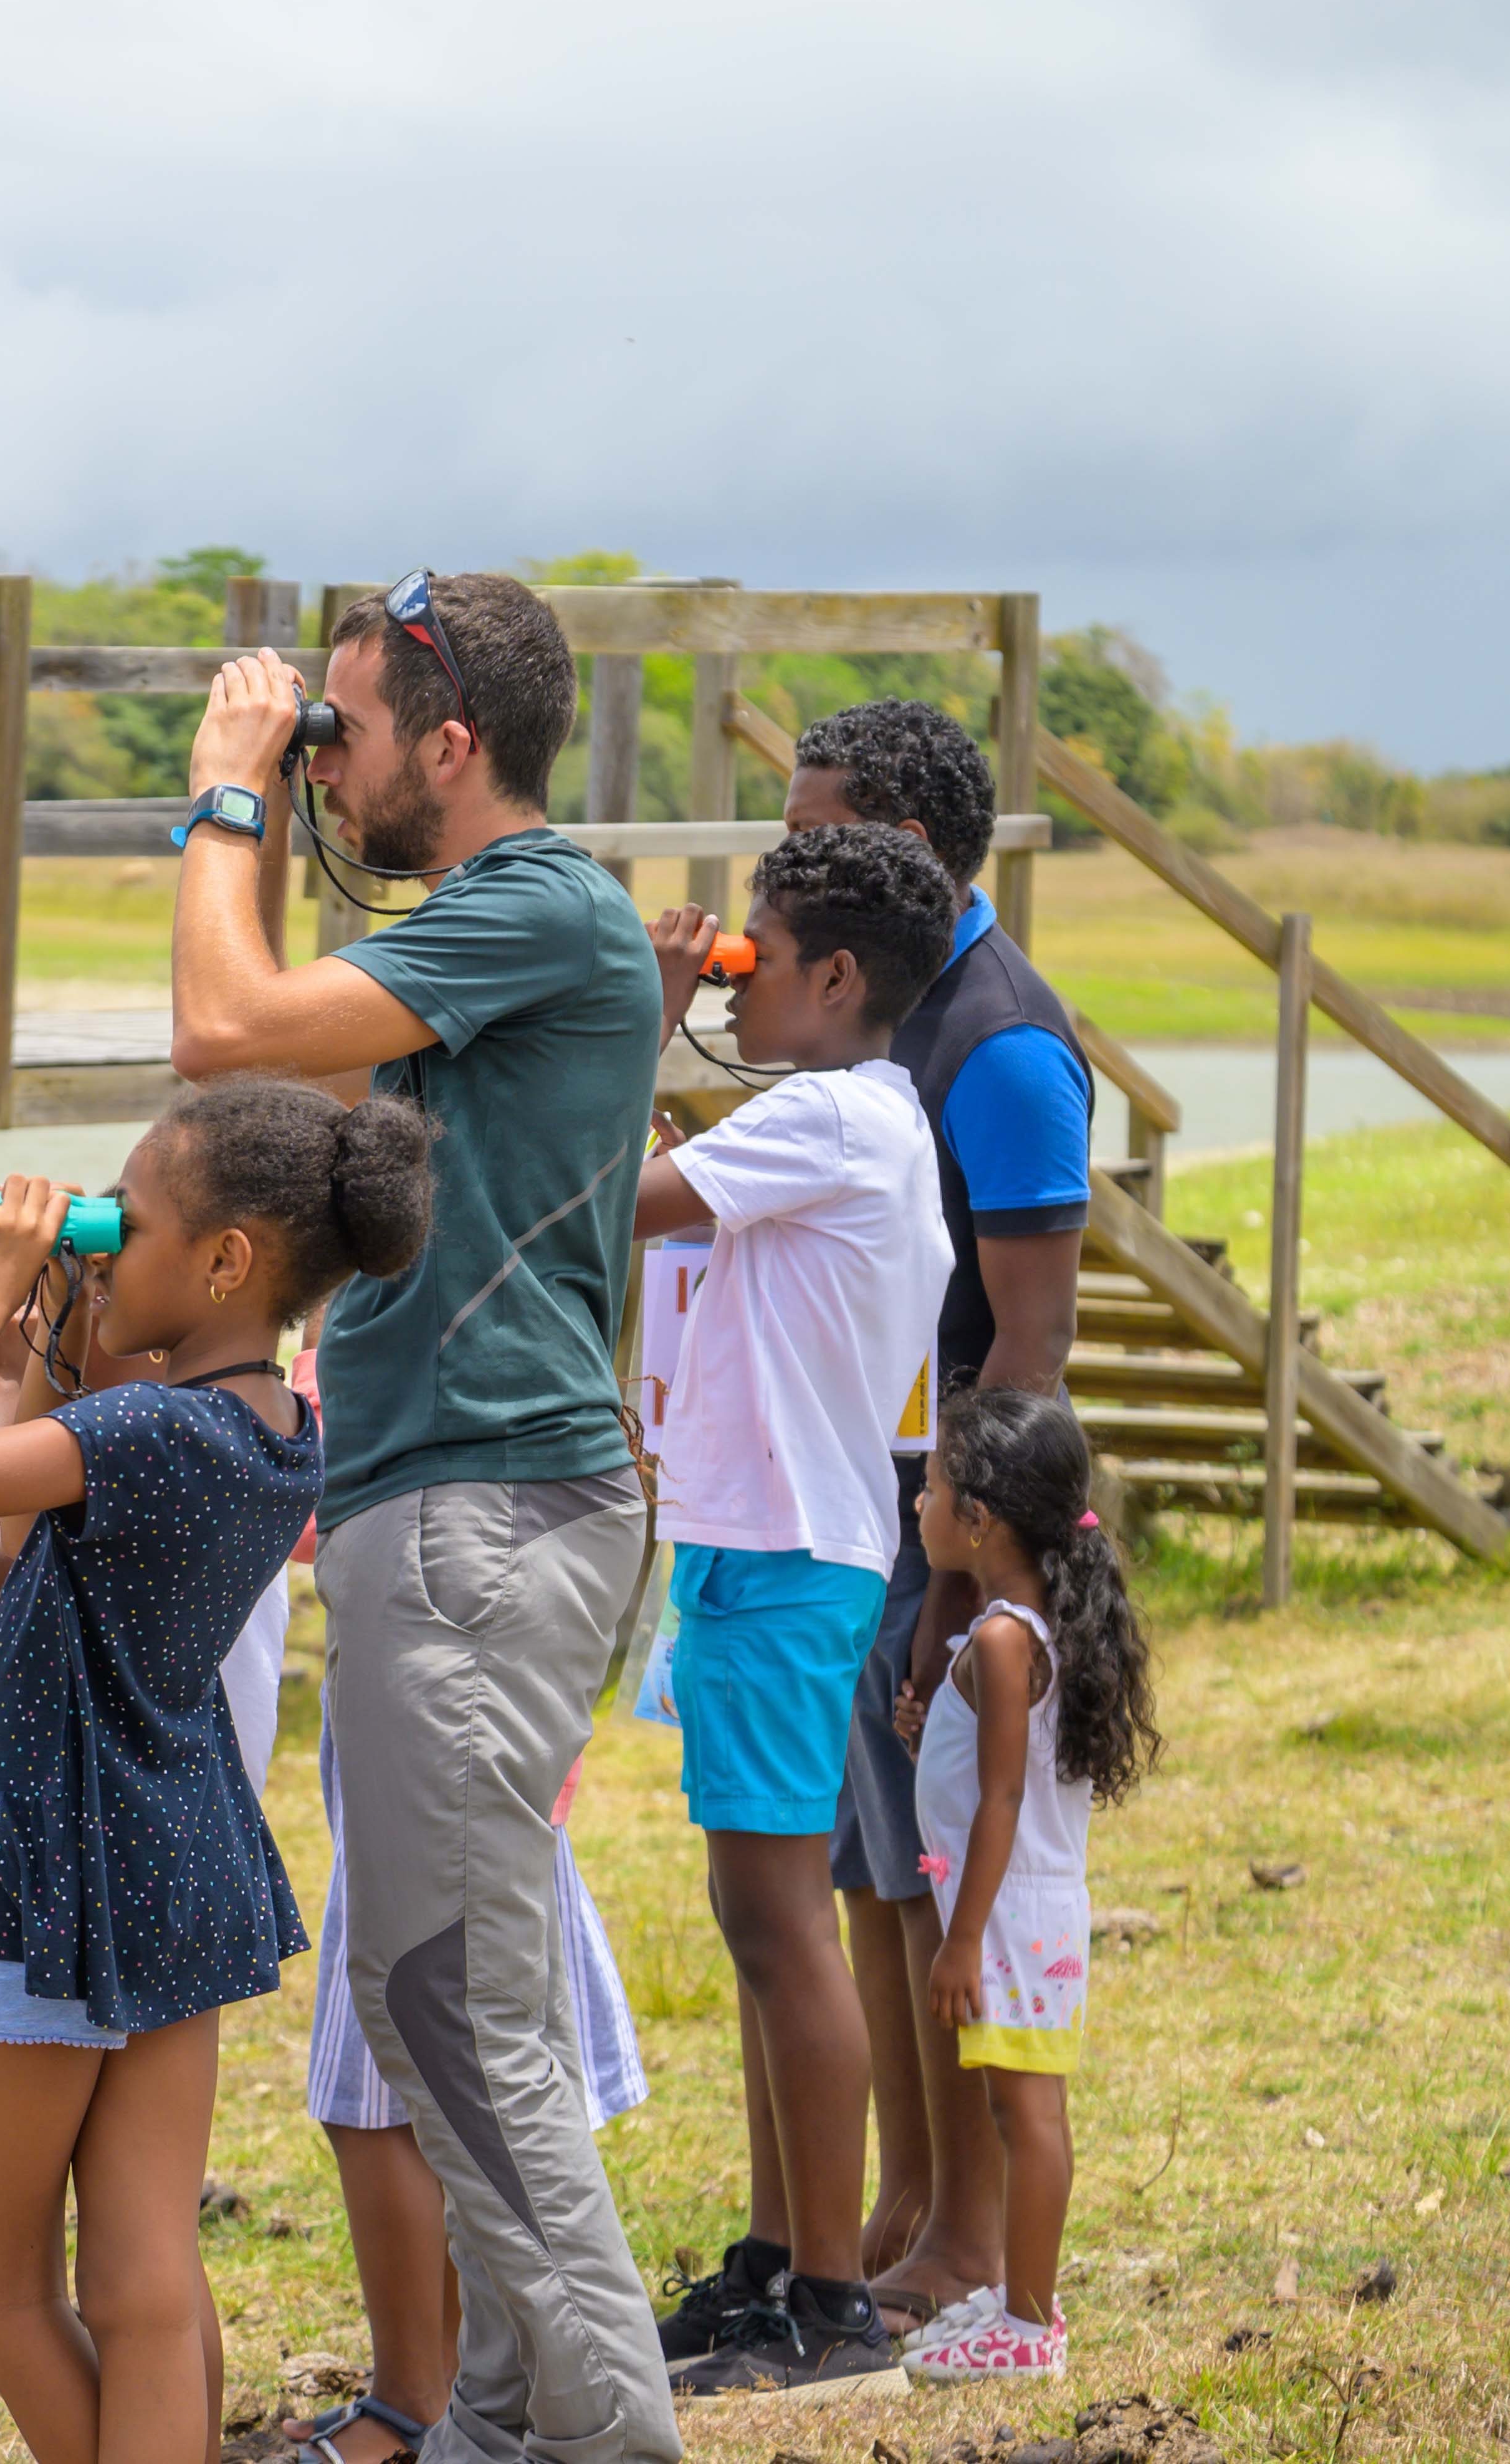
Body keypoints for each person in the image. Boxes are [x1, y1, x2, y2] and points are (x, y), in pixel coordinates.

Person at [173, 573, 677, 2464]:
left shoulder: (539, 905)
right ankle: (494, 2419)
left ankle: (609, 2439)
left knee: (459, 2015)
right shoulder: (492, 926)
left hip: (484, 1511)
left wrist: (225, 787)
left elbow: (222, 1020)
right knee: (437, 2000)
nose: (326, 765)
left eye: (349, 735)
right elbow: (286, 1079)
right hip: (450, 1503)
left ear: (451, 746)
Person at [0, 1078, 436, 2464]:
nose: (107, 1244)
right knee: (142, 2281)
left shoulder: (142, 1434)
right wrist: (50, 1339)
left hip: (51, 1872)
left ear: (226, 1259)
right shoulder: (277, 1429)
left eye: (137, 1222)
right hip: (184, 1861)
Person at [765, 702, 1094, 2354]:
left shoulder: (1005, 1042)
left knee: (936, 1862)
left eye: (815, 826)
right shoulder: (886, 1007)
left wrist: (962, 1570)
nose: (793, 858)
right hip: (865, 1486)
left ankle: (972, 2234)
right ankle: (905, 2196)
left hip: (949, 1512)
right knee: (874, 1871)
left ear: (899, 839)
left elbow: (1029, 1338)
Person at [628, 827, 957, 2400]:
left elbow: (600, 1206)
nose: (735, 974)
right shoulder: (862, 1120)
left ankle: (831, 2303)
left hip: (778, 1555)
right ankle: (779, 2258)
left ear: (835, 977)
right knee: (764, 1921)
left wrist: (649, 1005)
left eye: (757, 952)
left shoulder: (824, 1114)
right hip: (776, 1545)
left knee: (778, 1926)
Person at [271, 1344, 654, 2464]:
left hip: (444, 1823)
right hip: (431, 1812)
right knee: (465, 2094)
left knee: (415, 2096)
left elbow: (305, 1504)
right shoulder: (483, 1387)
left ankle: (422, 2397)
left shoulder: (424, 1395)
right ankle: (481, 2398)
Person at [887, 1391, 1159, 2383]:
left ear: (980, 1518)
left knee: (1028, 2117)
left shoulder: (1005, 1642)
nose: (920, 1504)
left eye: (932, 1487)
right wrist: (931, 1737)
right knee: (1022, 2111)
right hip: (1016, 1913)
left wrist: (960, 1943)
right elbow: (993, 1773)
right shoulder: (1013, 1633)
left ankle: (1034, 2325)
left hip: (1006, 1921)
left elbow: (1002, 1802)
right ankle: (1015, 2303)